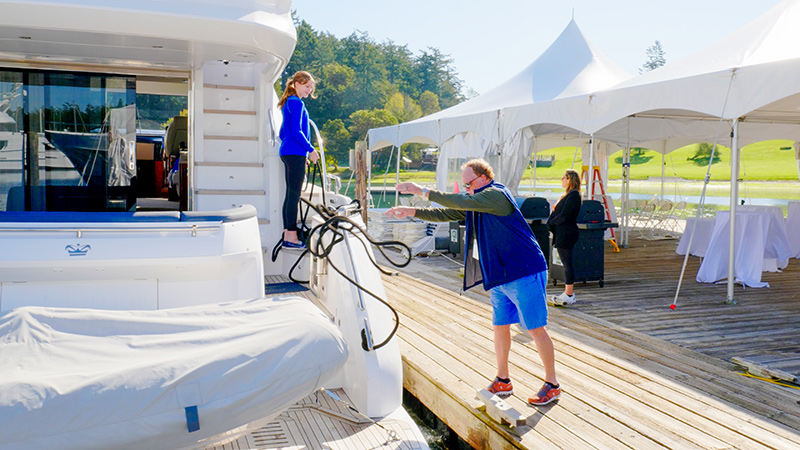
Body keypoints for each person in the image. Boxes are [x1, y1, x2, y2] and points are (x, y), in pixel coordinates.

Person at [386, 159, 561, 406]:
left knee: (535, 329)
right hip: (499, 275)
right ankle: (503, 379)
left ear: (485, 177)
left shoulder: (495, 195)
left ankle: (552, 384)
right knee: (500, 326)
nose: (466, 188)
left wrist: (422, 191)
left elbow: (461, 202)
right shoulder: (476, 200)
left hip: (524, 271)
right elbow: (447, 212)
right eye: (465, 184)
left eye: (469, 183)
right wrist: (411, 212)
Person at [277, 71, 320, 249]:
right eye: (306, 86)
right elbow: (296, 132)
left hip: (288, 153)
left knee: (290, 195)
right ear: (296, 84)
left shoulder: (288, 102)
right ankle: (292, 238)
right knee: (293, 196)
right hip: (295, 153)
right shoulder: (297, 102)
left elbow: (282, 134)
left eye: (311, 87)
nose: (309, 90)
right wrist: (310, 150)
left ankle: (289, 234)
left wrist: (302, 154)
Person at [548, 169, 582, 305]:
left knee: (567, 263)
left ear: (570, 180)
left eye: (564, 177)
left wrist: (551, 222)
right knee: (565, 262)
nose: (562, 180)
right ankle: (567, 291)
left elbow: (564, 215)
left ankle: (569, 293)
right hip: (562, 232)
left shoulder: (574, 195)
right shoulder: (567, 195)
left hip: (567, 232)